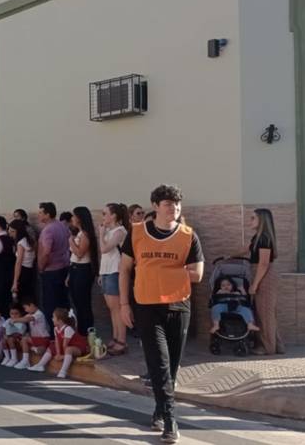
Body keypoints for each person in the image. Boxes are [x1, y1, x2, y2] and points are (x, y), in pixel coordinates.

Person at [119, 184, 204, 443]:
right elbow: (124, 270)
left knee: (172, 367)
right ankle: (170, 419)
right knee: (159, 362)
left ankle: (159, 408)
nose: (174, 209)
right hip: (146, 306)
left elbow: (197, 274)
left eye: (177, 205)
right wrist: (124, 305)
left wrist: (157, 272)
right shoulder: (136, 234)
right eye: (168, 204)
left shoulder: (188, 236)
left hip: (178, 306)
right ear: (155, 206)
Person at [226, 208, 281, 355]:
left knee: (265, 313)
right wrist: (229, 256)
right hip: (261, 273)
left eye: (253, 218)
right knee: (264, 312)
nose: (250, 220)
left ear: (261, 220)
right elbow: (245, 250)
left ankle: (267, 348)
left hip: (265, 276)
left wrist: (254, 285)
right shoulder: (257, 237)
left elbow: (263, 264)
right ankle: (276, 346)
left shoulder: (264, 238)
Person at [99, 203, 130, 356]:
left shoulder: (119, 231)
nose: (103, 217)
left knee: (117, 308)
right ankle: (116, 337)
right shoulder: (110, 231)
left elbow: (104, 249)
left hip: (115, 272)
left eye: (105, 214)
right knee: (112, 308)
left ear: (114, 216)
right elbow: (104, 255)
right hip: (106, 271)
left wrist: (100, 234)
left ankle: (122, 341)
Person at [37, 202, 71, 333]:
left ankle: (54, 334)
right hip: (63, 268)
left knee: (51, 305)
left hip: (51, 271)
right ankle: (66, 331)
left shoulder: (48, 230)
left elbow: (46, 251)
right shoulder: (62, 226)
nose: (38, 215)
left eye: (40, 212)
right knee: (62, 302)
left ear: (47, 214)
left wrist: (41, 266)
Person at [30, 307, 88, 378]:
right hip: (66, 347)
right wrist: (58, 354)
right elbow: (57, 341)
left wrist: (61, 356)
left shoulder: (68, 329)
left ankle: (63, 371)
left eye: (53, 317)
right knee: (52, 346)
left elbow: (65, 344)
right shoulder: (56, 329)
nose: (52, 319)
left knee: (68, 349)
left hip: (77, 347)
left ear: (60, 320)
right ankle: (40, 365)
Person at [68, 207, 99, 336]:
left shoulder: (85, 234)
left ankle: (87, 331)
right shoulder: (80, 233)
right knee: (77, 302)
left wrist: (71, 241)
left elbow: (80, 253)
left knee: (83, 303)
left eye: (74, 216)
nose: (72, 219)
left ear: (80, 218)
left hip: (83, 270)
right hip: (75, 269)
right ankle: (81, 330)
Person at [10, 298, 50, 370]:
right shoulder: (29, 314)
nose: (25, 310)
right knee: (23, 339)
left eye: (26, 308)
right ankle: (36, 349)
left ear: (31, 305)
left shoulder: (39, 314)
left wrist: (15, 320)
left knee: (25, 339)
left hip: (43, 339)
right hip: (36, 339)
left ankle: (25, 361)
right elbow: (22, 319)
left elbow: (27, 319)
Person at [8, 219, 36, 305]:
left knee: (19, 298)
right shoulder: (30, 240)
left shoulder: (21, 243)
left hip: (22, 271)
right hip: (30, 270)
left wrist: (15, 282)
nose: (10, 234)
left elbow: (19, 262)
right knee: (27, 296)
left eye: (12, 231)